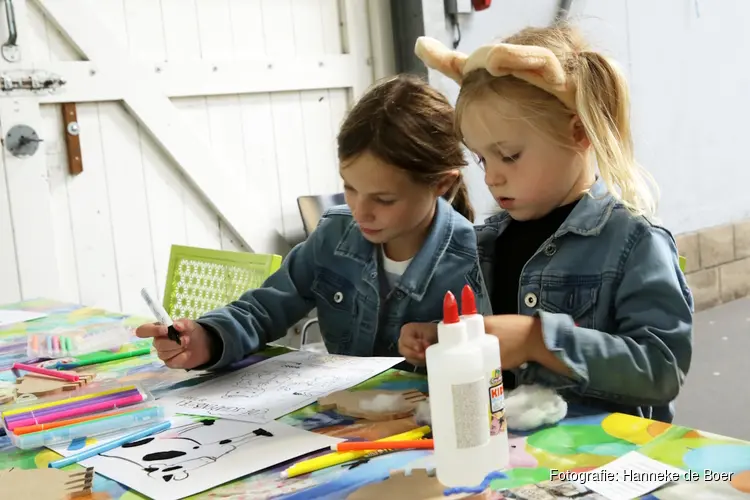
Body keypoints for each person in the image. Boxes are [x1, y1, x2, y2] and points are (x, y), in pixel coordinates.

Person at [399, 24, 693, 422]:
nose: (491, 178)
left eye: (509, 155)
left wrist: (540, 341)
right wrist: (446, 337)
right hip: (514, 465)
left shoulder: (634, 240)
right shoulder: (486, 243)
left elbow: (661, 370)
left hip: (605, 469)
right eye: (483, 159)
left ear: (578, 133)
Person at [136, 74, 491, 371]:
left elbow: (495, 369)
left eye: (384, 199)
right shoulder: (334, 235)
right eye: (349, 188)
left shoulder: (473, 258)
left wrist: (442, 345)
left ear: (441, 184)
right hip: (338, 426)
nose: (361, 211)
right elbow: (264, 308)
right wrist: (207, 339)